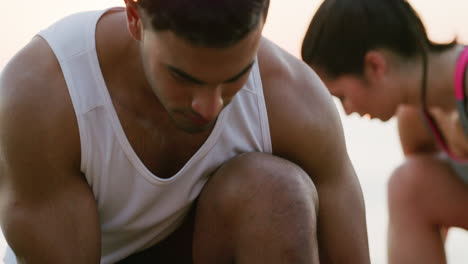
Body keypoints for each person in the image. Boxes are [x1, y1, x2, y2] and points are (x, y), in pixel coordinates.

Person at [0, 0, 370, 263]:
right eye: (182, 77)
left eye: (234, 76)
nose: (209, 106)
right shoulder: (44, 97)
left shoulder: (296, 103)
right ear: (134, 16)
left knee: (277, 192)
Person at [301, 0, 468, 263]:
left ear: (376, 66)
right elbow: (426, 207)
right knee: (408, 185)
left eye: (341, 96)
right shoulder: (415, 116)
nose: (345, 111)